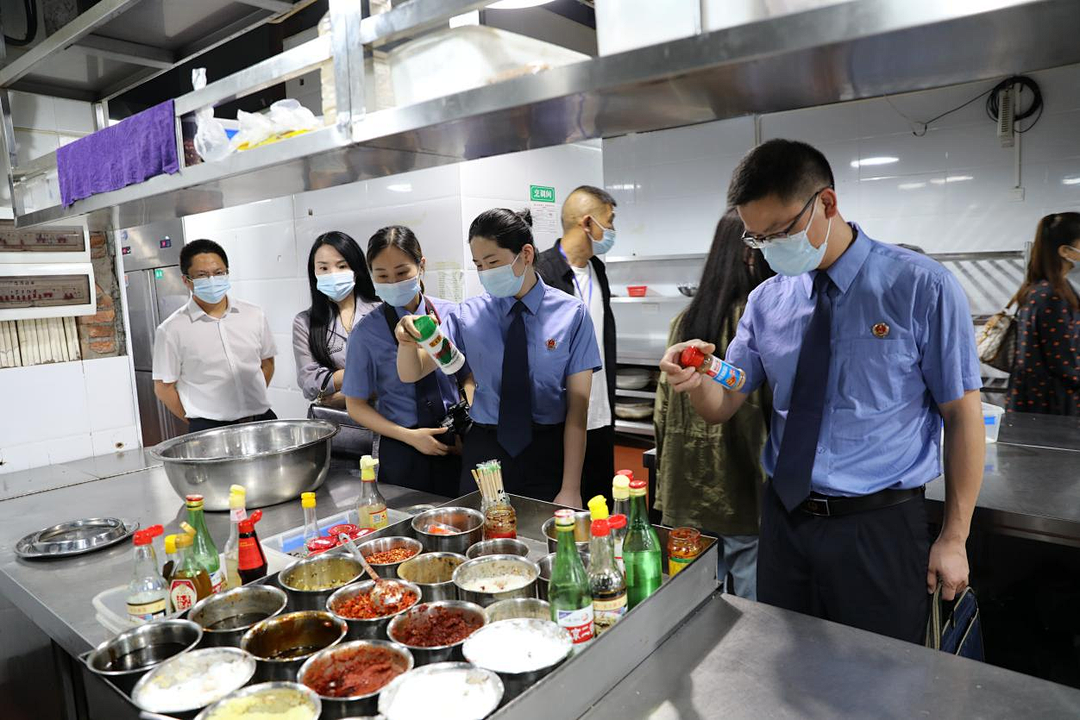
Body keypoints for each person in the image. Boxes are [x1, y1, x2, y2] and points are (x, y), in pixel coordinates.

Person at [659, 139, 985, 644]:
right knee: (787, 663)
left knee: (880, 674)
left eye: (781, 232)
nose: (770, 247)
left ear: (826, 205)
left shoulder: (920, 286)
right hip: (786, 521)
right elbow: (727, 401)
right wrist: (697, 380)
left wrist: (955, 537)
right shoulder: (769, 301)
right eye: (757, 238)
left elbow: (962, 417)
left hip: (878, 524)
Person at [397, 209, 601, 506]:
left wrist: (570, 488)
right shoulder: (468, 315)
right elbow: (412, 372)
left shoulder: (572, 315)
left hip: (548, 450)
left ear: (526, 254)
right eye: (479, 265)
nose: (485, 273)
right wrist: (405, 340)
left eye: (492, 262)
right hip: (485, 453)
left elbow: (577, 412)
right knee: (481, 544)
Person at [653, 210, 773, 599]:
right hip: (744, 489)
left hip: (685, 489)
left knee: (692, 600)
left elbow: (662, 411)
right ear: (750, 254)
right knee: (751, 606)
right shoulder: (763, 320)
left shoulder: (685, 323)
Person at [342, 226, 469, 494]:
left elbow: (468, 375)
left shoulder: (451, 314)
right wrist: (410, 437)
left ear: (421, 265)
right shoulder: (365, 333)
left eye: (402, 273)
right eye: (382, 276)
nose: (393, 283)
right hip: (402, 445)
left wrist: (471, 427)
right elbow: (355, 405)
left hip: (455, 441)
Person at [536, 185, 618, 505]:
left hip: (600, 411)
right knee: (565, 507)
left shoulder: (598, 269)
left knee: (602, 502)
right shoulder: (541, 273)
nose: (612, 231)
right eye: (609, 222)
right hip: (561, 419)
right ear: (587, 223)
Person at [153, 238, 277, 433]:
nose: (212, 280)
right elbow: (164, 388)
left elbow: (267, 363)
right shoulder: (171, 329)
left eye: (219, 273)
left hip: (262, 420)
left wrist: (248, 400)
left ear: (227, 273)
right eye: (202, 275)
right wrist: (199, 422)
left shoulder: (253, 314)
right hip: (210, 428)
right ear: (186, 280)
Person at [292, 231, 380, 408]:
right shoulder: (305, 322)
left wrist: (344, 395)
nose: (332, 274)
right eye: (323, 268)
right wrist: (370, 377)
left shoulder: (380, 311)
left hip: (384, 421)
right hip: (336, 427)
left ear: (356, 270)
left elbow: (395, 374)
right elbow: (310, 383)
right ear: (314, 273)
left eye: (342, 266)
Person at [1007, 212, 1080, 416]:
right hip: (1051, 405)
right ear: (1066, 251)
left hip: (1044, 401)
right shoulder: (1051, 296)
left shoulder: (1047, 289)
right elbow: (1063, 362)